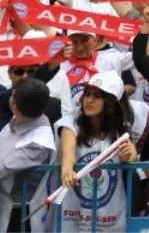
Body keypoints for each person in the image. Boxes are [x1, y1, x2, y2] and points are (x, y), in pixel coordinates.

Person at [56, 72, 138, 233]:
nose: (89, 100)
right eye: (87, 95)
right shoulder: (70, 124)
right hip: (74, 214)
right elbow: (69, 149)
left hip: (110, 217)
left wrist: (130, 155)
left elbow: (131, 154)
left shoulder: (120, 130)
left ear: (110, 102)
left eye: (97, 96)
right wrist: (67, 169)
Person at [0, 78, 55, 232]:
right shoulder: (22, 118)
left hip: (18, 214)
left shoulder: (38, 142)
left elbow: (2, 168)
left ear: (15, 106)